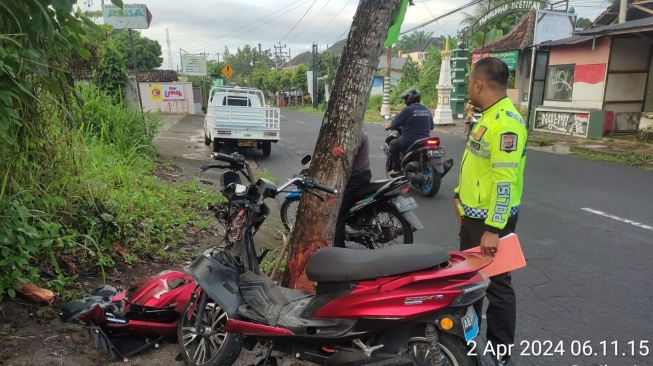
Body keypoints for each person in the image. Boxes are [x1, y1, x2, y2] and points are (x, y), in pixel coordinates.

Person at [453, 57, 527, 366]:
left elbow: (504, 182)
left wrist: (493, 228)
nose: (469, 87)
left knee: (497, 287)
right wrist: (459, 196)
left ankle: (500, 353)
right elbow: (478, 165)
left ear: (479, 84)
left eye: (470, 82)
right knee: (472, 283)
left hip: (489, 221)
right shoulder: (489, 117)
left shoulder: (505, 123)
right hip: (475, 217)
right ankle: (466, 347)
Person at [333, 132, 372, 248]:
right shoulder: (361, 132)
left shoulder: (356, 135)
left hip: (354, 179)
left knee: (338, 213)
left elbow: (344, 158)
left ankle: (338, 247)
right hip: (364, 175)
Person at [384, 88, 432, 176]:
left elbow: (393, 124)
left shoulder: (408, 110)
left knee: (392, 145)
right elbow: (431, 126)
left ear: (410, 98)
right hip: (425, 139)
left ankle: (397, 169)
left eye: (406, 98)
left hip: (410, 139)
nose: (405, 100)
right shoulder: (426, 109)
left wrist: (387, 127)